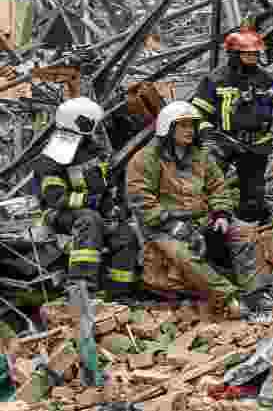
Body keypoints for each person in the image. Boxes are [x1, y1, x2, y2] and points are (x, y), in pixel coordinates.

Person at [190, 26, 273, 224]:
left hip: (256, 145)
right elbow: (198, 112)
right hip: (224, 142)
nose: (253, 57)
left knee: (253, 194)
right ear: (234, 55)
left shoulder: (265, 78)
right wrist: (207, 134)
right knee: (211, 184)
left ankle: (250, 225)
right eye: (248, 54)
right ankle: (206, 223)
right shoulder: (215, 80)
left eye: (255, 54)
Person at [125, 101, 247, 318]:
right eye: (183, 125)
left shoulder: (200, 157)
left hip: (201, 219)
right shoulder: (145, 159)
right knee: (186, 256)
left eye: (192, 125)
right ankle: (230, 298)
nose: (190, 130)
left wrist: (221, 214)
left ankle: (256, 291)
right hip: (161, 228)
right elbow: (141, 200)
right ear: (168, 128)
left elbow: (218, 186)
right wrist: (173, 226)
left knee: (244, 233)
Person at [31, 98, 140, 298]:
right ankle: (82, 289)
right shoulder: (53, 157)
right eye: (92, 123)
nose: (96, 128)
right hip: (57, 215)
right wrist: (88, 201)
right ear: (79, 123)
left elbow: (106, 185)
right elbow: (55, 198)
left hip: (92, 211)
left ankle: (117, 293)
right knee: (90, 221)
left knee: (124, 234)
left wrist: (113, 208)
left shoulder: (92, 151)